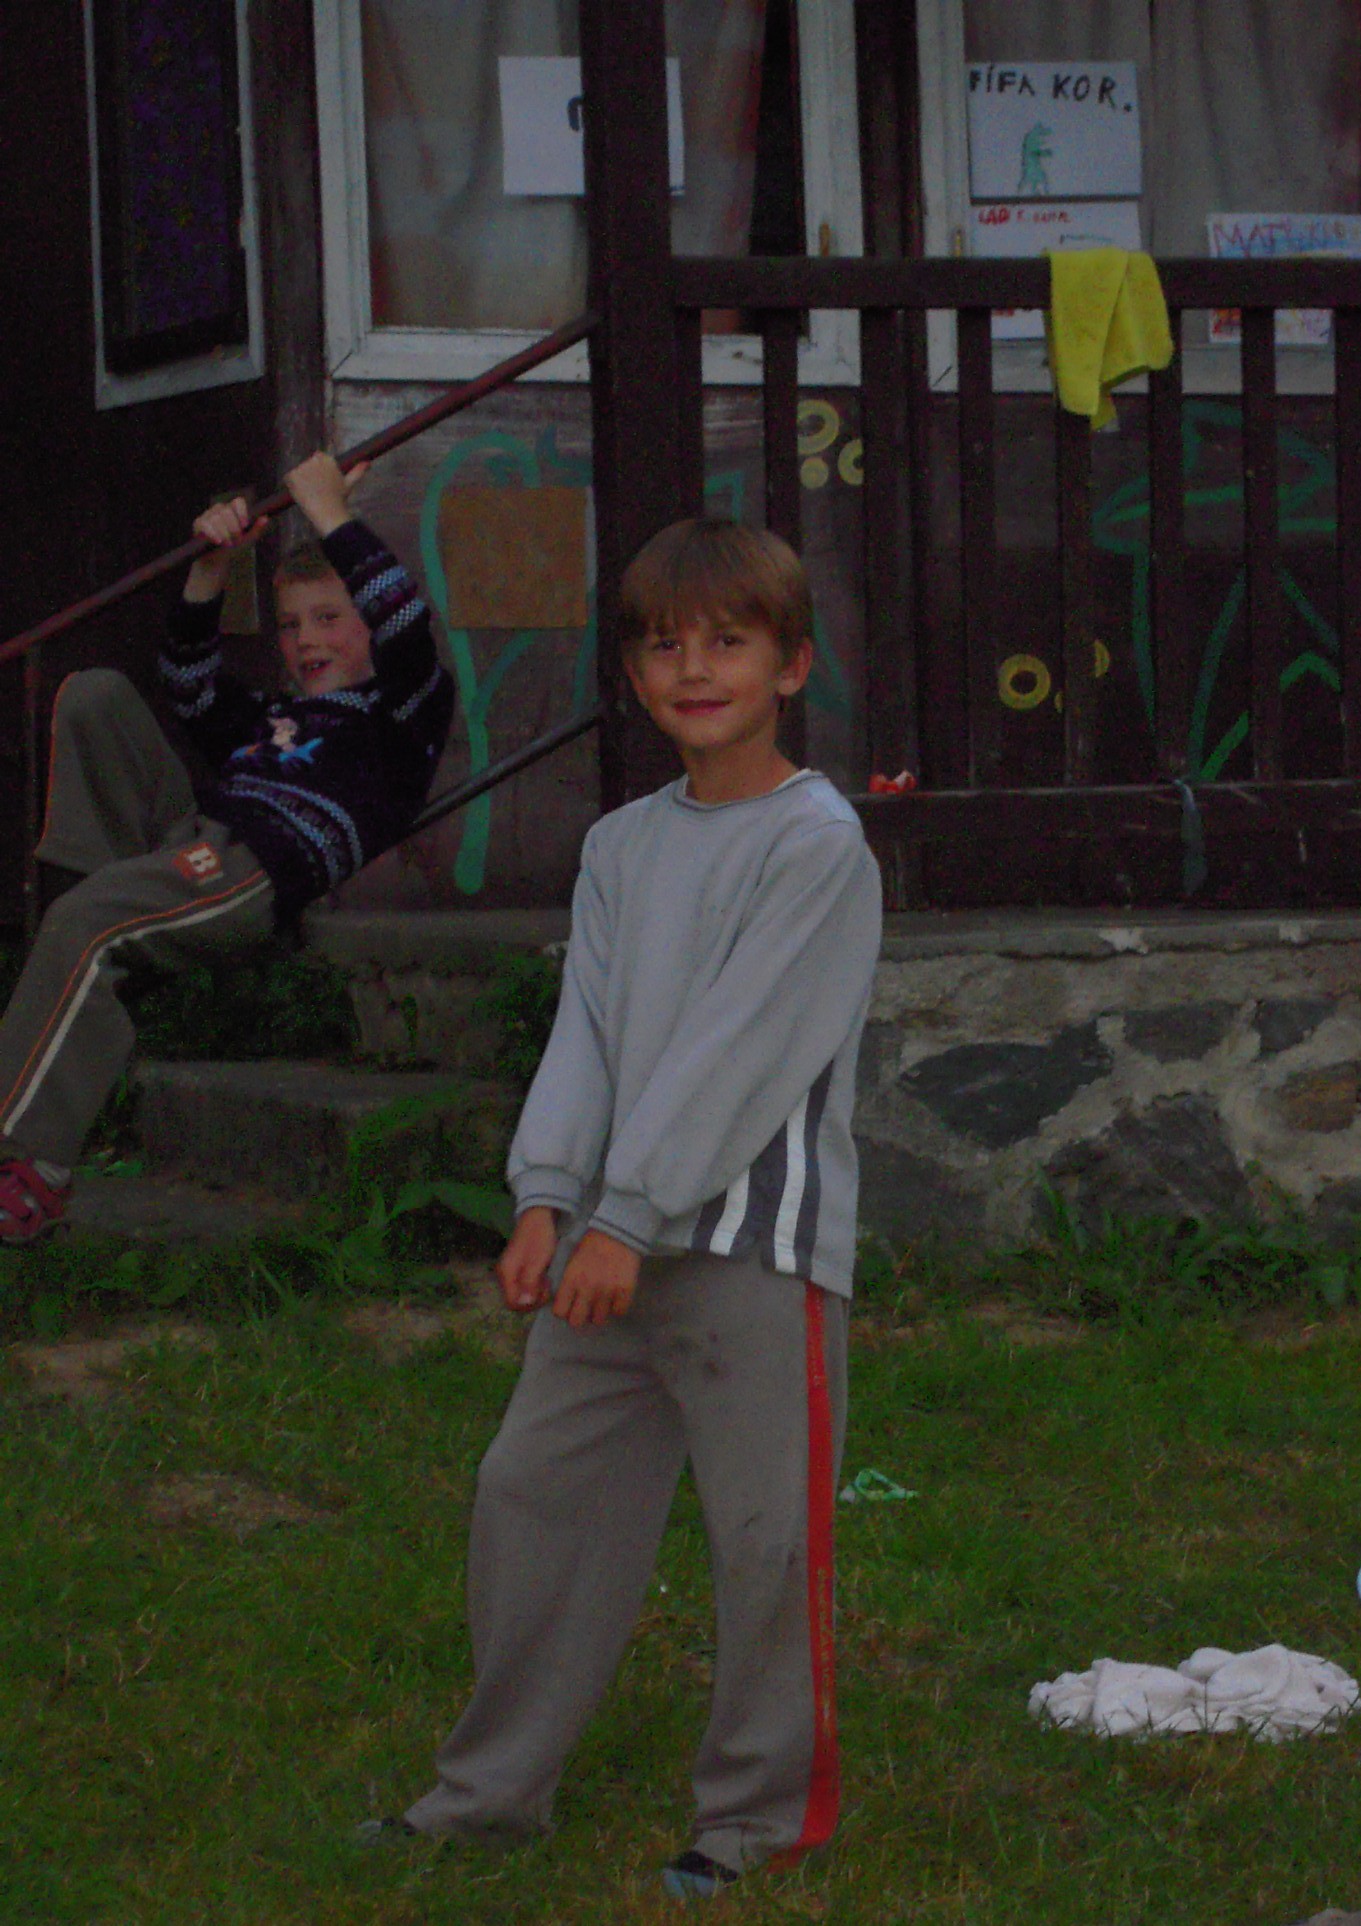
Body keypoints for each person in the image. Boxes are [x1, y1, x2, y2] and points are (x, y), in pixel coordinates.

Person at [366, 519, 883, 1901]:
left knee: (764, 1541)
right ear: (636, 675)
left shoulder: (817, 845)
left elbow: (738, 1051)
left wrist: (626, 1215)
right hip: (606, 1247)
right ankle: (488, 1795)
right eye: (664, 646)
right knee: (529, 1494)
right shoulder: (620, 845)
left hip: (751, 1255)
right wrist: (548, 1197)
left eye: (727, 642)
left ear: (791, 666)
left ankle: (755, 1817)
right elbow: (588, 1035)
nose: (692, 669)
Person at [0, 453, 453, 1243]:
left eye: (329, 618)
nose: (306, 640)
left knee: (85, 922)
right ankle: (95, 938)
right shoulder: (274, 716)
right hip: (192, 840)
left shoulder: (402, 714)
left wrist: (328, 511)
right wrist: (211, 568)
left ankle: (30, 1166)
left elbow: (407, 626)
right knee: (95, 695)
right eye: (291, 623)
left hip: (253, 868)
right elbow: (189, 683)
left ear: (370, 624)